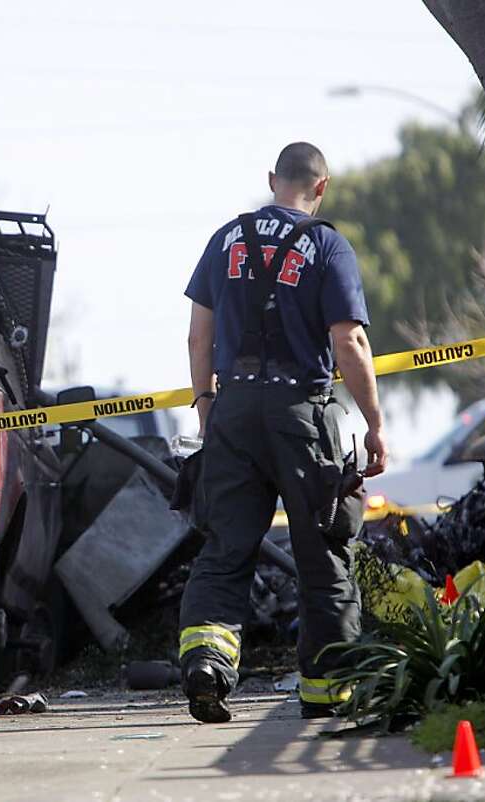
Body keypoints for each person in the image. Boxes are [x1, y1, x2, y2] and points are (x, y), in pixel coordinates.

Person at [179, 141, 388, 722]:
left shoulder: (225, 240)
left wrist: (205, 407)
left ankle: (206, 667)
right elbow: (349, 341)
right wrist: (373, 424)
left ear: (272, 179)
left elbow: (198, 336)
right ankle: (327, 694)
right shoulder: (327, 244)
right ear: (321, 188)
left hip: (234, 412)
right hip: (303, 417)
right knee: (322, 555)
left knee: (224, 550)